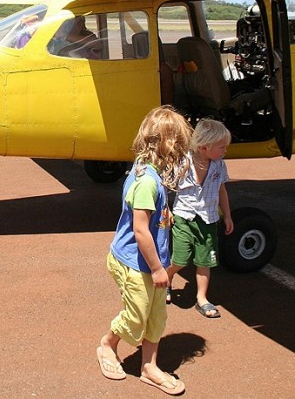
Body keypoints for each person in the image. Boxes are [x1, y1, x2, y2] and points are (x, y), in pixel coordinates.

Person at [97, 105, 192, 396]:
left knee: (156, 317)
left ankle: (149, 366)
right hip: (134, 262)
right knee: (137, 316)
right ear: (169, 144)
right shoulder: (147, 181)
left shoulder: (148, 168)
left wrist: (165, 215)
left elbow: (147, 219)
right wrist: (157, 268)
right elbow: (140, 230)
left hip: (149, 261)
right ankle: (107, 344)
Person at [166, 119, 234, 318]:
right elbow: (167, 186)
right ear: (205, 147)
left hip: (208, 219)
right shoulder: (183, 162)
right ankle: (167, 278)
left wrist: (228, 215)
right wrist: (166, 210)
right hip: (184, 218)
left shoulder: (219, 165)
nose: (225, 151)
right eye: (222, 147)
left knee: (205, 261)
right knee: (180, 260)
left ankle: (202, 298)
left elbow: (222, 190)